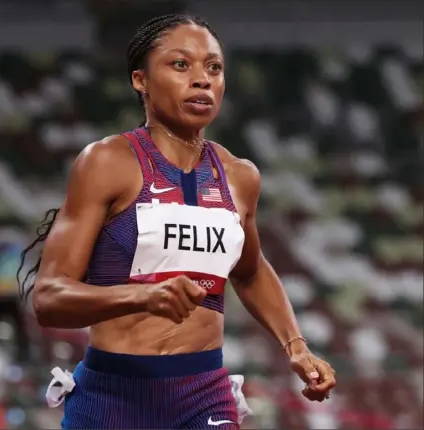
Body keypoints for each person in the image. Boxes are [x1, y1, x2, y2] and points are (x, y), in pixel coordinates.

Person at [18, 14, 336, 429]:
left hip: (204, 395)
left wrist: (295, 346)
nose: (202, 79)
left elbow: (251, 271)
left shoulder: (239, 176)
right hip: (113, 396)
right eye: (181, 64)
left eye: (214, 67)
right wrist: (142, 296)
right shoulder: (107, 162)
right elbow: (49, 299)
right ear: (140, 80)